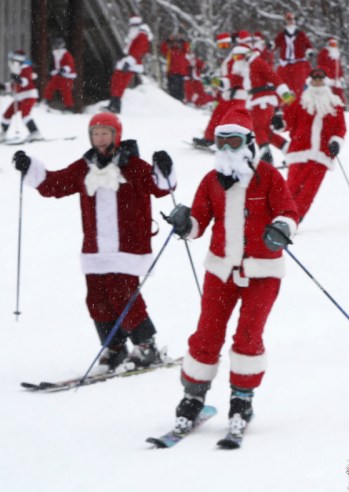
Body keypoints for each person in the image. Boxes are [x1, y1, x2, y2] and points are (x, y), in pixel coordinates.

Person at [163, 109, 298, 438]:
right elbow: (198, 222)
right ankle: (193, 397)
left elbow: (288, 211)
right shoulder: (211, 181)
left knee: (248, 335)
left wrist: (281, 227)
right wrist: (185, 223)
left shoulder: (267, 176)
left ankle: (242, 398)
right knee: (207, 332)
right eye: (220, 141)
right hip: (220, 270)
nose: (226, 148)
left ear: (249, 143)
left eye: (233, 141)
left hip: (262, 271)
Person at [12, 113, 175, 374]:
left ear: (116, 135)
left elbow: (160, 187)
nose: (100, 139)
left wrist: (164, 169)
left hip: (128, 246)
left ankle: (147, 346)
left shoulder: (133, 165)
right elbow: (56, 184)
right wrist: (29, 167)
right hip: (95, 249)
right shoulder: (84, 166)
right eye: (95, 134)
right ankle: (114, 347)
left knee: (123, 295)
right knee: (97, 298)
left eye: (105, 133)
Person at [283, 68, 346, 221]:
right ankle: (282, 216)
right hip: (299, 152)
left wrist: (336, 142)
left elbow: (340, 128)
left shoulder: (334, 104)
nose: (317, 81)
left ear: (325, 81)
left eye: (320, 78)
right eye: (314, 78)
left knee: (308, 192)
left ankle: (294, 220)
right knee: (291, 188)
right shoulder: (299, 101)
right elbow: (288, 121)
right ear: (309, 80)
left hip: (322, 154)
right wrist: (280, 122)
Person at [239, 45, 295, 164]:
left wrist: (285, 94)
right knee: (265, 131)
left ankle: (266, 156)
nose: (240, 58)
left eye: (241, 55)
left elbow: (273, 77)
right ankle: (290, 151)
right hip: (257, 100)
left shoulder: (258, 62)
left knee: (258, 128)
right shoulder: (249, 65)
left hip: (263, 101)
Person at [194, 42, 251, 148]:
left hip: (239, 95)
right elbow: (229, 77)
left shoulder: (244, 62)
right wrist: (215, 81)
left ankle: (238, 143)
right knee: (217, 116)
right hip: (228, 94)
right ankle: (209, 138)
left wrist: (218, 82)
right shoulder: (230, 58)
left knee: (233, 121)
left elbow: (235, 78)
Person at [104, 15, 153, 114]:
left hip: (130, 63)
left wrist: (129, 61)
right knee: (115, 82)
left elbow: (139, 51)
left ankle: (116, 106)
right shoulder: (134, 34)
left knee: (120, 84)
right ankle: (112, 104)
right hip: (126, 61)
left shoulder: (142, 35)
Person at [1, 50, 42, 142]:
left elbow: (25, 82)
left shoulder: (26, 68)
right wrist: (4, 86)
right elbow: (14, 86)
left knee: (25, 115)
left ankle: (35, 133)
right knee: (7, 114)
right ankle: (3, 133)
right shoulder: (18, 70)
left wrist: (18, 79)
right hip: (19, 97)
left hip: (29, 95)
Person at [274, 11, 314, 97]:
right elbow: (276, 43)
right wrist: (271, 45)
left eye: (291, 19)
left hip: (298, 62)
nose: (290, 21)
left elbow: (307, 44)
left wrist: (309, 51)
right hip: (285, 62)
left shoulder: (300, 34)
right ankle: (286, 104)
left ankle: (299, 102)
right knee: (283, 83)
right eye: (288, 19)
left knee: (299, 84)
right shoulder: (282, 34)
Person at [42, 37, 77, 112]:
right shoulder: (56, 54)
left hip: (67, 76)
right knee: (50, 87)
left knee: (66, 91)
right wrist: (52, 73)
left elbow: (70, 65)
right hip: (59, 75)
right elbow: (57, 67)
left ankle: (69, 107)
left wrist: (64, 69)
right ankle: (46, 101)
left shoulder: (66, 54)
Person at [160, 34, 190, 101]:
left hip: (181, 74)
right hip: (172, 74)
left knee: (181, 90)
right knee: (173, 90)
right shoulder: (170, 52)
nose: (176, 44)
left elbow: (187, 48)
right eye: (174, 42)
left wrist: (183, 41)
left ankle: (180, 102)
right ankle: (173, 102)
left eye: (177, 43)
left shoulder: (182, 51)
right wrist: (167, 40)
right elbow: (163, 48)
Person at [317, 36, 346, 101]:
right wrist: (327, 75)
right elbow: (321, 65)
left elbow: (339, 67)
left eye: (335, 44)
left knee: (339, 95)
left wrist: (340, 76)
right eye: (332, 44)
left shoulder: (336, 53)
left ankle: (341, 108)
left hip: (336, 79)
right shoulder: (324, 52)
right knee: (328, 95)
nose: (334, 46)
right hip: (328, 78)